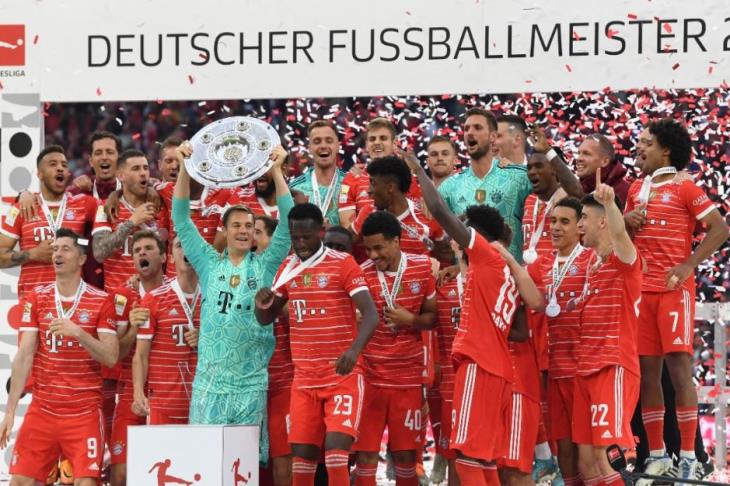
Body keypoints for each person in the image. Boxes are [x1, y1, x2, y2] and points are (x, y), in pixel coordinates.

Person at [404, 151, 523, 486]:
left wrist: (419, 171)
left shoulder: (483, 255)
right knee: (484, 460)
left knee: (468, 458)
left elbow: (441, 212)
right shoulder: (503, 270)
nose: (456, 239)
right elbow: (520, 329)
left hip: (479, 364)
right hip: (499, 369)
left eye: (464, 230)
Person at [171, 142, 292, 465]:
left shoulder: (264, 266)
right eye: (236, 225)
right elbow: (180, 219)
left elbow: (288, 224)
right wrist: (183, 168)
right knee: (205, 466)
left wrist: (276, 171)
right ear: (223, 231)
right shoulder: (208, 263)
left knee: (242, 468)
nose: (243, 231)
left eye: (249, 227)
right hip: (209, 384)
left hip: (250, 385)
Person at [624, 119, 729, 483]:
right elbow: (624, 238)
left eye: (646, 142)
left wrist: (688, 265)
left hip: (673, 289)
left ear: (666, 150)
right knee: (647, 375)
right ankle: (657, 455)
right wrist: (625, 220)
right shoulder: (636, 188)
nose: (639, 147)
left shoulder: (685, 187)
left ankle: (689, 456)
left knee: (680, 371)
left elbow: (720, 228)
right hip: (642, 291)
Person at [254, 202, 379, 486]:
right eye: (295, 237)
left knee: (336, 449)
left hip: (341, 375)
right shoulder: (288, 268)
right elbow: (266, 318)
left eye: (306, 237)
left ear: (321, 232)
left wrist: (353, 351)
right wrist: (261, 305)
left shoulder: (343, 263)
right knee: (303, 453)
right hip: (304, 379)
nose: (300, 243)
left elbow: (371, 315)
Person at [0, 228, 119, 486]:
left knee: (86, 483)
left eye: (65, 249)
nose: (57, 254)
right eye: (55, 249)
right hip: (43, 410)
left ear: (81, 258)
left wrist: (79, 334)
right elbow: (24, 355)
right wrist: (9, 412)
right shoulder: (36, 297)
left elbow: (111, 357)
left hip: (84, 413)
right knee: (18, 481)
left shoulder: (101, 300)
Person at [353, 211, 437, 486]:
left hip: (407, 380)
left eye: (378, 247)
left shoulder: (422, 267)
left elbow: (433, 317)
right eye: (368, 249)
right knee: (365, 456)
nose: (373, 255)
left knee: (405, 458)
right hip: (370, 378)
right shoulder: (360, 274)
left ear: (397, 241)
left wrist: (411, 319)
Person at [573, 177, 642, 486]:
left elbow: (620, 233)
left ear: (602, 222)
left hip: (611, 365)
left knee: (607, 454)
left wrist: (610, 203)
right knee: (587, 461)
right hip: (585, 368)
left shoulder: (625, 259)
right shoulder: (592, 265)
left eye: (584, 218)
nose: (579, 225)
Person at [526, 197, 594, 486]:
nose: (555, 227)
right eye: (553, 221)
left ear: (580, 226)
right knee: (564, 447)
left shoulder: (591, 259)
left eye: (564, 222)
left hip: (584, 370)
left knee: (588, 450)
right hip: (555, 368)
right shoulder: (541, 264)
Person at [107, 230, 168, 486]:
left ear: (164, 257)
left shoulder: (179, 290)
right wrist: (133, 329)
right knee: (120, 474)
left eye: (148, 248)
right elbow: (115, 355)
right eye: (136, 251)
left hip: (170, 391)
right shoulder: (122, 296)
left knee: (169, 466)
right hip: (131, 391)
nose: (142, 253)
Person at [0, 145, 97, 297]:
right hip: (32, 302)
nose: (60, 168)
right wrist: (33, 254)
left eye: (64, 165)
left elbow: (117, 206)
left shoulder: (85, 204)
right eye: (53, 164)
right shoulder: (21, 208)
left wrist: (114, 195)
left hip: (73, 301)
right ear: (40, 174)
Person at [437, 107, 531, 261]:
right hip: (467, 274)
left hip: (509, 273)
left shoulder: (519, 177)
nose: (470, 132)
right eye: (466, 129)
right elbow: (437, 237)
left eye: (477, 127)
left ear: (492, 136)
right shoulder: (449, 187)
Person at [133, 236, 200, 425]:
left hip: (205, 407)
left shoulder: (213, 298)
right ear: (170, 258)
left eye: (190, 244)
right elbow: (141, 355)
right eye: (179, 246)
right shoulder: (153, 299)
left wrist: (205, 340)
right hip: (163, 406)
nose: (186, 249)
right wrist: (138, 392)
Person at [92, 149, 163, 291]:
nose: (143, 173)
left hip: (154, 296)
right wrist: (131, 222)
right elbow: (99, 253)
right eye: (136, 169)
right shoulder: (107, 208)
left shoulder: (159, 205)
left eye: (145, 168)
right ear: (121, 176)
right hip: (118, 297)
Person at [350, 156, 443, 257]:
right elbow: (343, 243)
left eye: (373, 183)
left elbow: (445, 258)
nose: (368, 190)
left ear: (390, 187)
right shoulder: (369, 213)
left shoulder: (426, 216)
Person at [339, 117, 422, 228]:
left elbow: (417, 218)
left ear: (394, 144)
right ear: (367, 145)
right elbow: (347, 225)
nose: (377, 142)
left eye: (383, 138)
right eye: (372, 139)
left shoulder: (409, 178)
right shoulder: (351, 179)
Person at [290, 121, 346, 226]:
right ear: (310, 148)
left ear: (338, 146)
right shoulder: (294, 189)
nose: (323, 146)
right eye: (317, 141)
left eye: (329, 141)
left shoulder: (350, 184)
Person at [575, 135, 631, 207]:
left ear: (604, 161)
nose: (579, 158)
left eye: (586, 154)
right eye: (579, 153)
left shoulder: (625, 192)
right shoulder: (574, 188)